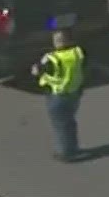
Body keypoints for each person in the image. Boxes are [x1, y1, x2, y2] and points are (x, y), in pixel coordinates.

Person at [31, 30, 87, 162]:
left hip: (57, 94)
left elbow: (36, 71)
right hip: (74, 92)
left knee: (61, 124)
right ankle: (72, 147)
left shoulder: (52, 58)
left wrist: (37, 68)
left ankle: (65, 153)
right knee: (69, 121)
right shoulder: (77, 52)